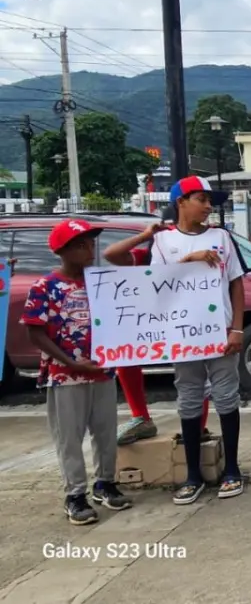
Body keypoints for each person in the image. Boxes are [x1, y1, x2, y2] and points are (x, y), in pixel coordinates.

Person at [109, 176, 245, 503]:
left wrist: (237, 328)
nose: (209, 206)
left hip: (219, 330)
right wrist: (189, 260)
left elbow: (236, 284)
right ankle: (192, 474)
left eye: (211, 200)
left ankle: (232, 470)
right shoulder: (163, 243)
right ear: (181, 202)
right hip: (182, 334)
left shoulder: (222, 237)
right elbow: (159, 284)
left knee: (226, 395)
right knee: (188, 396)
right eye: (201, 198)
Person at [22, 219, 133, 525]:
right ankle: (75, 494)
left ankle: (106, 483)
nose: (89, 249)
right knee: (69, 437)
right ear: (63, 250)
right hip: (65, 375)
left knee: (106, 432)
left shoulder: (100, 283)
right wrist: (70, 362)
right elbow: (36, 332)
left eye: (91, 243)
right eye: (81, 244)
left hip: (103, 371)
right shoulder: (45, 287)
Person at [104, 208, 212, 446]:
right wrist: (145, 235)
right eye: (167, 228)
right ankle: (140, 417)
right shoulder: (146, 254)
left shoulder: (202, 249)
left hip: (186, 322)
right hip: (151, 322)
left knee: (194, 373)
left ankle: (198, 425)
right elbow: (111, 254)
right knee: (127, 356)